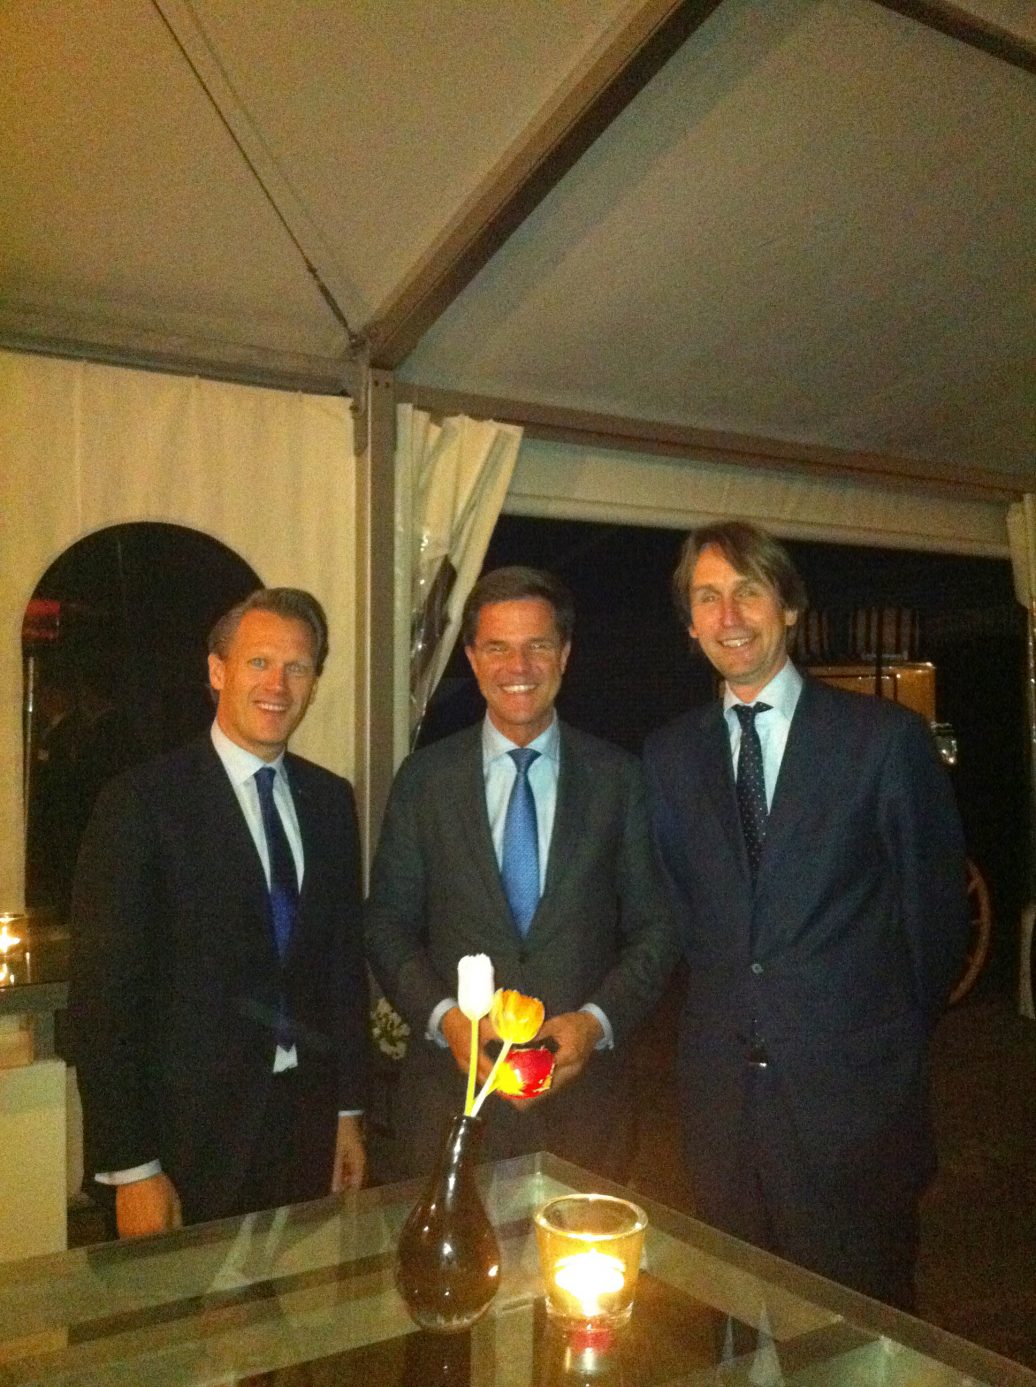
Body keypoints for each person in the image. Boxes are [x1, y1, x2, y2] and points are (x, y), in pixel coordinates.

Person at [644, 521, 969, 1309]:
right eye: (707, 597)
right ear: (689, 624)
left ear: (789, 606)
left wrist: (872, 1044)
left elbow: (935, 926)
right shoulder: (669, 756)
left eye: (748, 591)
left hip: (853, 1113)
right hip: (723, 1114)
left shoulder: (882, 740)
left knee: (858, 1336)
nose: (729, 616)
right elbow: (687, 917)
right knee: (736, 1329)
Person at [69, 588, 369, 1237]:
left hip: (305, 1130)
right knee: (182, 1306)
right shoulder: (142, 803)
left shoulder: (330, 802)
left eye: (297, 667)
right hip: (185, 1144)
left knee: (298, 1301)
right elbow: (104, 1002)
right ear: (216, 670)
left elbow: (341, 970)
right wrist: (133, 1166)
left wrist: (347, 1111)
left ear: (314, 682)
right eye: (259, 662)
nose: (278, 685)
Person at [364, 566, 677, 1180]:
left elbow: (658, 927)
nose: (519, 666)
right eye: (498, 648)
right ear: (472, 659)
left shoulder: (620, 779)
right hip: (450, 1107)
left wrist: (596, 1024)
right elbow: (385, 924)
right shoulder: (425, 781)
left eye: (537, 645)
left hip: (586, 1113)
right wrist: (446, 1019)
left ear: (564, 655)